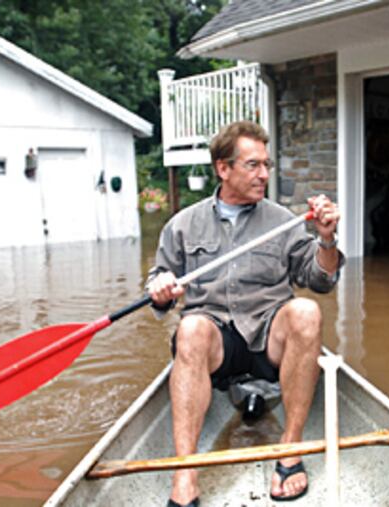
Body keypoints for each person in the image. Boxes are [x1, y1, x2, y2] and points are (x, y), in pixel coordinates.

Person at [146, 120, 343, 506]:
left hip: (269, 340)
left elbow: (319, 280)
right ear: (223, 168)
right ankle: (185, 472)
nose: (264, 174)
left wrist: (326, 239)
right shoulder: (182, 225)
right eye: (253, 165)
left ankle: (290, 450)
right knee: (190, 328)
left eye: (266, 165)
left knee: (305, 310)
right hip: (218, 342)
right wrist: (160, 290)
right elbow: (160, 291)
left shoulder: (284, 221)